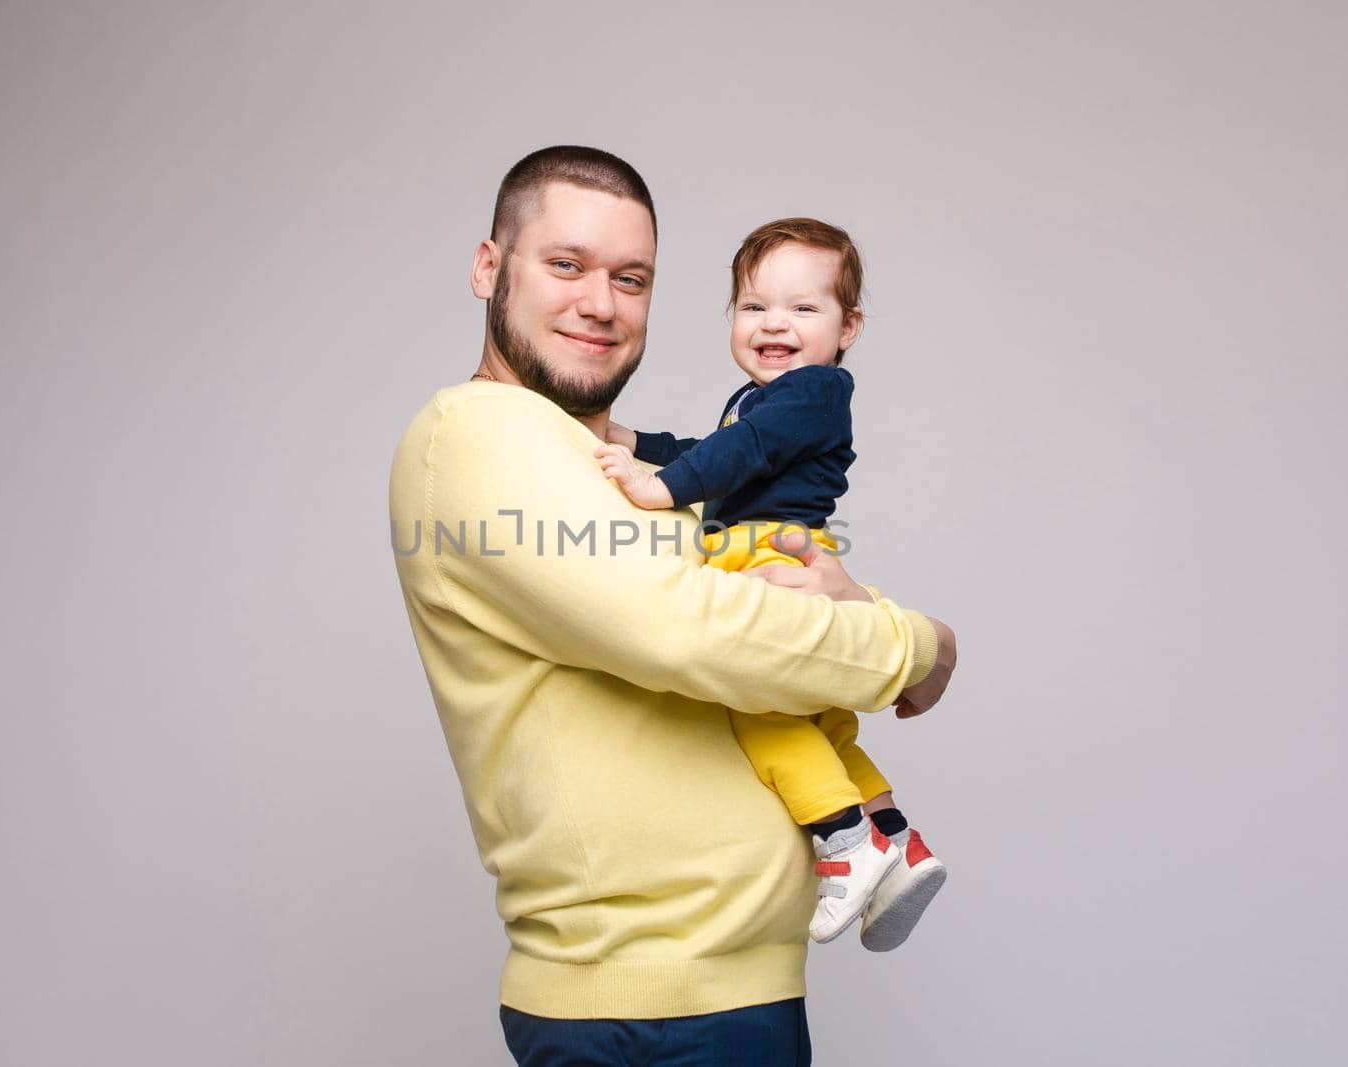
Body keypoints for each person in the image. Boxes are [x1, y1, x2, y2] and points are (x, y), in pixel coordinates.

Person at [388, 145, 957, 1066]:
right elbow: (693, 626)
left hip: (733, 991)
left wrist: (862, 608)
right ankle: (869, 830)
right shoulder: (478, 432)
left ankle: (882, 832)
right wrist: (920, 645)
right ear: (490, 269)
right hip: (637, 1012)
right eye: (565, 264)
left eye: (632, 278)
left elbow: (764, 570)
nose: (601, 302)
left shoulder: (601, 466)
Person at [594, 218, 948, 952]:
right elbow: (720, 450)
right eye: (754, 307)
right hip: (782, 549)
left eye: (802, 308)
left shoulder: (816, 390)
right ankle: (895, 837)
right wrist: (643, 445)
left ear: (847, 327)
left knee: (757, 706)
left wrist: (658, 487)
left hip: (763, 552)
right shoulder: (766, 401)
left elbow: (739, 453)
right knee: (821, 718)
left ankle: (844, 839)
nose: (774, 324)